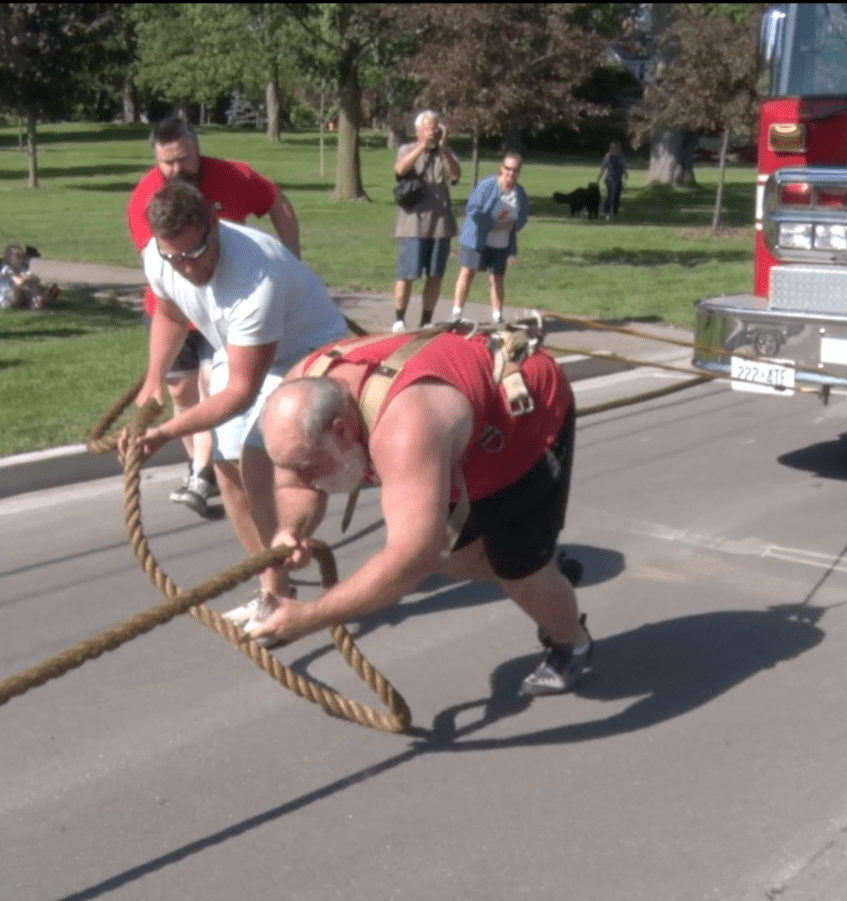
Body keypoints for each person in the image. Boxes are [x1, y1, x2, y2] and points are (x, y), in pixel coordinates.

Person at [246, 328, 591, 695]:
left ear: (342, 429)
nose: (303, 476)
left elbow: (411, 558)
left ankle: (571, 639)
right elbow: (295, 486)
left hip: (523, 425)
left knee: (520, 572)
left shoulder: (406, 428)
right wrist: (292, 530)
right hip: (458, 438)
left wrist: (311, 617)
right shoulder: (296, 404)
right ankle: (547, 576)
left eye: (309, 466)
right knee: (452, 558)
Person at [126, 179, 347, 607]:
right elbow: (171, 313)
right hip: (239, 345)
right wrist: (155, 377)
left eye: (194, 253)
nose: (187, 267)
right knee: (228, 470)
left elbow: (242, 394)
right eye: (174, 258)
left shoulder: (255, 277)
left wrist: (166, 433)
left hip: (308, 352)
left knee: (264, 460)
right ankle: (275, 588)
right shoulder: (161, 256)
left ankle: (285, 560)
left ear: (215, 222)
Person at [126, 117, 303, 516]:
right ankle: (199, 463)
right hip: (174, 310)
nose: (175, 171)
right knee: (179, 392)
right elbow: (168, 280)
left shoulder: (233, 176)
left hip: (230, 304)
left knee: (213, 383)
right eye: (165, 164)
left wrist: (293, 262)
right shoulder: (145, 200)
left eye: (183, 160)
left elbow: (277, 203)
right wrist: (154, 377)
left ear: (196, 148)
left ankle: (204, 472)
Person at [390, 110, 461, 332]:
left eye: (436, 127)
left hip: (440, 224)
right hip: (413, 223)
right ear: (419, 130)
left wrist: (442, 147)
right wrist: (421, 146)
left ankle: (426, 320)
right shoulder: (406, 149)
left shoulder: (445, 152)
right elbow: (400, 169)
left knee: (435, 275)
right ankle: (399, 319)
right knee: (407, 274)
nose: (433, 131)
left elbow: (456, 175)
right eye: (429, 127)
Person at [450, 151, 531, 325]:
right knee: (468, 272)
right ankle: (456, 312)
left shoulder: (519, 192)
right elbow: (472, 210)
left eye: (515, 170)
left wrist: (514, 225)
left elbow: (524, 214)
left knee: (497, 276)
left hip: (501, 241)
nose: (511, 173)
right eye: (507, 169)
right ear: (501, 168)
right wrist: (492, 223)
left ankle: (497, 316)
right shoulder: (487, 185)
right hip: (477, 237)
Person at [598, 140, 627, 221]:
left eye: (615, 147)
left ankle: (614, 211)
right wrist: (600, 178)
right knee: (611, 195)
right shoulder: (608, 156)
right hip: (610, 179)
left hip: (619, 178)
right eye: (612, 147)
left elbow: (623, 166)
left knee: (617, 195)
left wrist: (625, 174)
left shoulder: (621, 156)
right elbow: (603, 167)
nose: (613, 149)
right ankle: (607, 212)